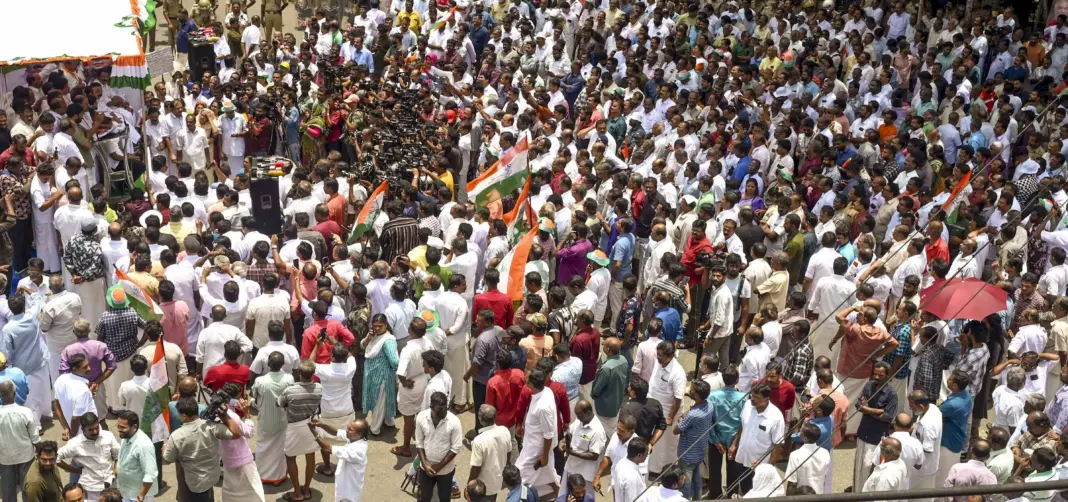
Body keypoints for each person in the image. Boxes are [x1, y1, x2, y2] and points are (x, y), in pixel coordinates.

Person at [162, 397, 242, 502]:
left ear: (184, 416)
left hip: (194, 484)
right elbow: (236, 434)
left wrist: (164, 448)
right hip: (212, 477)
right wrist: (224, 416)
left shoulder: (176, 436)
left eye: (179, 414)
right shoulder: (211, 426)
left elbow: (167, 459)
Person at [1, 291, 50, 425]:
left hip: (23, 367)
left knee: (31, 398)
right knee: (44, 389)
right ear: (23, 307)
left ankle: (36, 425)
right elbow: (38, 297)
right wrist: (24, 288)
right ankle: (46, 413)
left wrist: (9, 371)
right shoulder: (31, 316)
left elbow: (7, 352)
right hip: (40, 360)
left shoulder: (8, 329)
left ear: (10, 309)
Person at [278, 360, 322, 502]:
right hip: (311, 426)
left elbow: (279, 403)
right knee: (310, 456)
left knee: (291, 457)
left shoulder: (290, 390)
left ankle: (297, 492)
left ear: (298, 373)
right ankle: (307, 490)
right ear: (313, 374)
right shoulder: (319, 388)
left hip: (294, 427)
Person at [727, 383, 784, 494]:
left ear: (767, 399)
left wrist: (767, 468)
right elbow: (743, 425)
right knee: (744, 489)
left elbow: (778, 446)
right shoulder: (748, 405)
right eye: (752, 396)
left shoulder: (776, 417)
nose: (752, 399)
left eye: (757, 397)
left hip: (760, 466)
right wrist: (734, 444)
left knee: (757, 493)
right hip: (742, 458)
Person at [250, 351, 294, 486]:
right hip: (282, 420)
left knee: (262, 447)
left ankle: (263, 475)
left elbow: (254, 396)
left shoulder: (260, 381)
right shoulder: (289, 379)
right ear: (282, 364)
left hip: (265, 420)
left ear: (268, 364)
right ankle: (278, 477)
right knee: (279, 449)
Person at [853, 362, 898, 491]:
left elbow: (888, 417)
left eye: (881, 374)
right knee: (859, 467)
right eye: (875, 374)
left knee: (869, 467)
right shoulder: (868, 386)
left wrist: (867, 409)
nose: (877, 377)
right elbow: (858, 405)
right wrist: (878, 411)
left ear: (888, 376)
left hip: (876, 438)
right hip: (863, 433)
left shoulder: (891, 394)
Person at [516, 368, 559, 496]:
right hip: (532, 441)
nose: (524, 377)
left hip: (537, 448)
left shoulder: (543, 407)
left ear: (531, 384)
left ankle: (521, 497)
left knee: (521, 473)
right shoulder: (546, 391)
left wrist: (544, 455)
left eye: (527, 377)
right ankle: (557, 489)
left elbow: (548, 433)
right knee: (547, 471)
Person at [57, 413, 120, 500]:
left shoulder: (108, 436)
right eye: (91, 430)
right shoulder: (75, 444)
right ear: (83, 429)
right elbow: (56, 458)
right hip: (91, 489)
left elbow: (117, 454)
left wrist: (116, 468)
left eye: (96, 428)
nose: (95, 431)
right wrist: (73, 470)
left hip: (110, 485)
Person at [415, 391, 463, 502]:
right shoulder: (421, 417)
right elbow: (419, 443)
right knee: (424, 497)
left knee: (444, 498)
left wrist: (440, 466)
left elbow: (456, 448)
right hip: (425, 469)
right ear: (431, 407)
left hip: (446, 470)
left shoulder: (454, 422)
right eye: (439, 409)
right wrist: (424, 464)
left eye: (445, 408)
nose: (444, 412)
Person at [309, 418, 371, 502]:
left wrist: (314, 432)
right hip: (344, 486)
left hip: (348, 494)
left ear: (358, 434)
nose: (347, 429)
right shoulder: (356, 438)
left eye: (350, 429)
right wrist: (321, 425)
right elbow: (336, 432)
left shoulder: (357, 451)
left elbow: (328, 449)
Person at [648, 341, 686, 475]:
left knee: (668, 444)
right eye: (657, 354)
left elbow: (678, 398)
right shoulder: (660, 364)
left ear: (670, 356)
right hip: (653, 410)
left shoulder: (678, 373)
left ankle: (668, 469)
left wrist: (669, 418)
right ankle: (653, 468)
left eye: (660, 356)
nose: (657, 357)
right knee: (655, 443)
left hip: (667, 415)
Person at [674, 379, 715, 499]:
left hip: (687, 455)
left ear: (696, 395)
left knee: (685, 483)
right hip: (700, 451)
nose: (689, 391)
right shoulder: (710, 405)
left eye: (691, 390)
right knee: (697, 481)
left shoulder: (693, 415)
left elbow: (676, 430)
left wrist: (681, 419)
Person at [0, 379, 39, 502]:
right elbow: (35, 437)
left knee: (7, 490)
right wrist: (39, 451)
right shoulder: (25, 412)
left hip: (5, 458)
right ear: (15, 393)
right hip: (26, 456)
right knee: (27, 487)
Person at [560, 400, 606, 494]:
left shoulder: (597, 431)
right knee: (567, 496)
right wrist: (562, 442)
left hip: (585, 475)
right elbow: (569, 433)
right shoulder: (579, 421)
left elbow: (594, 455)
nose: (577, 417)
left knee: (583, 498)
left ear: (588, 413)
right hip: (571, 468)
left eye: (579, 415)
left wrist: (572, 452)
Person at [468, 404, 513, 496]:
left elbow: (476, 468)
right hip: (498, 480)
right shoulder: (505, 431)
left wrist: (468, 486)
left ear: (480, 419)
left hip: (481, 487)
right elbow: (509, 453)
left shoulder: (479, 441)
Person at [114, 411, 158, 502]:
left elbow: (150, 474)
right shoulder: (125, 437)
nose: (119, 429)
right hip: (127, 492)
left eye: (123, 427)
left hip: (140, 497)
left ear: (134, 427)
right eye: (118, 426)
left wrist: (140, 496)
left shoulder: (144, 445)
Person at [52, 352, 97, 441]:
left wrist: (65, 427)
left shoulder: (60, 379)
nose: (89, 368)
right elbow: (76, 418)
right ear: (74, 369)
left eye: (88, 365)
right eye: (84, 367)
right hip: (85, 436)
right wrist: (72, 435)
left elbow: (56, 405)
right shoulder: (83, 391)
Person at [590, 337, 629, 433]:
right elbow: (627, 379)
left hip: (604, 407)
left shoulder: (606, 368)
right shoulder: (623, 360)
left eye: (604, 345)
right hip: (617, 401)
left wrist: (593, 395)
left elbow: (596, 390)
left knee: (603, 430)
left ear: (607, 350)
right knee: (613, 426)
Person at [786, 423, 831, 494]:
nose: (799, 432)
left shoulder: (795, 455)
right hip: (820, 495)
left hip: (802, 496)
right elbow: (827, 478)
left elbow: (792, 483)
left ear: (805, 438)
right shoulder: (825, 453)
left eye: (801, 431)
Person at [611, 435, 648, 502]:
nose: (646, 456)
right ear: (639, 455)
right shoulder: (632, 477)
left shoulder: (621, 463)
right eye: (646, 454)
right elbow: (631, 499)